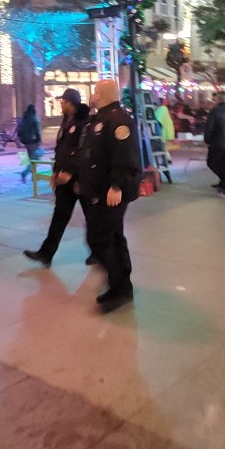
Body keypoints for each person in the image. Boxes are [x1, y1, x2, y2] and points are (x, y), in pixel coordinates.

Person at [78, 79, 142, 314]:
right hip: (98, 189)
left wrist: (117, 186)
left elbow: (124, 156)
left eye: (95, 92)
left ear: (103, 94)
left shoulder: (118, 119)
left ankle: (120, 287)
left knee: (101, 238)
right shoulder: (100, 118)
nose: (92, 96)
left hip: (111, 192)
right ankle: (121, 285)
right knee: (111, 237)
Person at [24, 88, 89, 265]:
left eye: (64, 101)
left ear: (72, 103)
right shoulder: (66, 121)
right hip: (63, 177)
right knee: (60, 216)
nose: (61, 103)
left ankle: (99, 252)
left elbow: (84, 151)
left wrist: (72, 173)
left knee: (92, 217)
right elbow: (62, 149)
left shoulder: (84, 121)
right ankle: (46, 253)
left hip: (79, 178)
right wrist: (56, 171)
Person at [17, 104, 42, 181]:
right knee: (35, 160)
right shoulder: (34, 119)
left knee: (32, 159)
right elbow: (37, 130)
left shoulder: (24, 118)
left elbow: (19, 130)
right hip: (33, 141)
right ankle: (26, 173)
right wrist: (39, 140)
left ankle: (33, 176)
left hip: (26, 142)